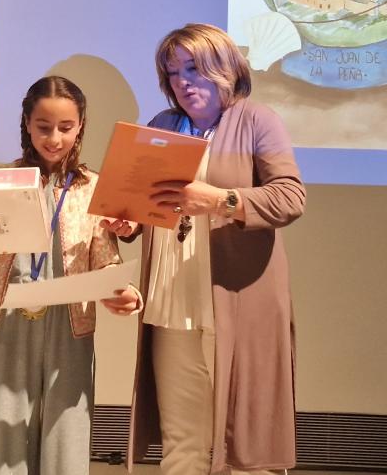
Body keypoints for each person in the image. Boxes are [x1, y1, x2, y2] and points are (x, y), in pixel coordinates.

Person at [108, 23, 306, 475]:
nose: (183, 81)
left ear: (226, 69)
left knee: (247, 446)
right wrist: (128, 221)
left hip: (237, 301)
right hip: (172, 302)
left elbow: (290, 198)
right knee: (182, 443)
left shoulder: (258, 120)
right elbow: (141, 206)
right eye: (173, 72)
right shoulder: (162, 125)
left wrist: (220, 200)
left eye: (194, 68)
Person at [0, 75, 141, 475]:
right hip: (11, 321)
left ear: (81, 125)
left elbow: (105, 260)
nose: (54, 138)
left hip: (71, 324)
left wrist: (123, 291)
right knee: (6, 429)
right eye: (44, 127)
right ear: (26, 124)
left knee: (67, 427)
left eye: (65, 127)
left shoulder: (92, 188)